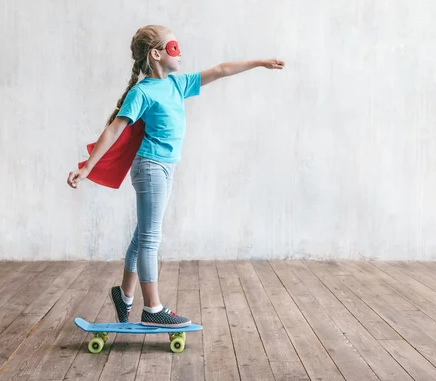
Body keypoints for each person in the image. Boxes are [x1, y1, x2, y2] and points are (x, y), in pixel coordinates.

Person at [67, 25, 284, 327]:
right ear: (156, 54)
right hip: (151, 167)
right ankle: (152, 308)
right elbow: (115, 128)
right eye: (173, 47)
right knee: (150, 238)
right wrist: (87, 167)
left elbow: (220, 69)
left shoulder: (177, 84)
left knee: (142, 234)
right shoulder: (141, 92)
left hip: (166, 168)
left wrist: (259, 63)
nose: (180, 52)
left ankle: (125, 296)